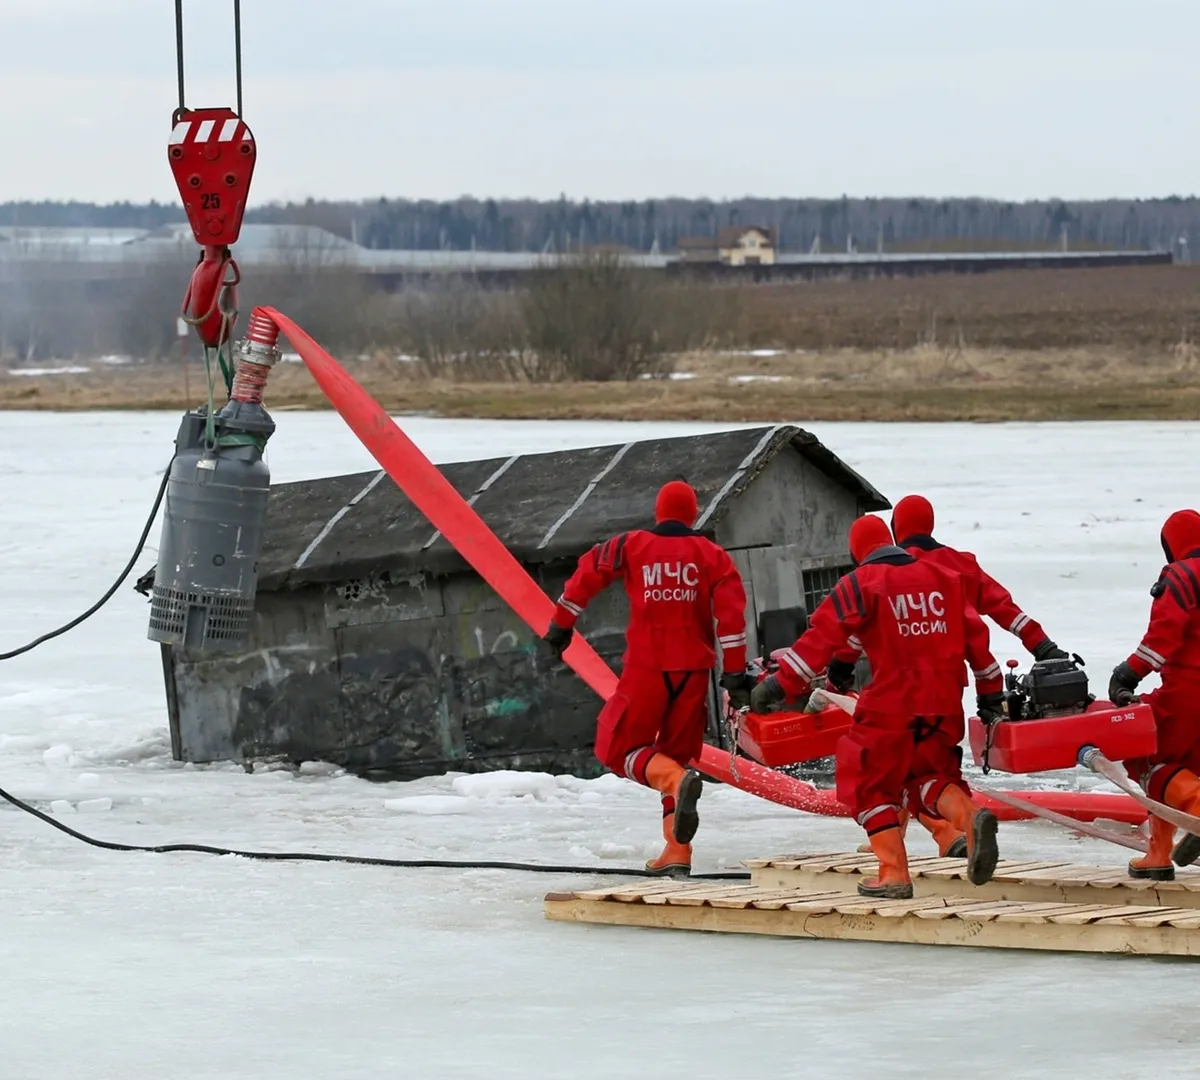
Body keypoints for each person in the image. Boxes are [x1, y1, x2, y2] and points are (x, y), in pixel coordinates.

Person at [751, 515, 1004, 899]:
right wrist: (990, 695)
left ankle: (893, 874)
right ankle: (971, 820)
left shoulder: (861, 583)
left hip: (892, 705)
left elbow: (821, 639)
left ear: (858, 553)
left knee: (867, 782)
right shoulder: (945, 579)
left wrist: (776, 685)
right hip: (943, 704)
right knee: (927, 778)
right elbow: (979, 645)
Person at [542, 480, 751, 877]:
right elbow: (732, 618)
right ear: (693, 514)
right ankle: (677, 850)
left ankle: (675, 782)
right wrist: (736, 673)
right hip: (693, 672)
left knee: (616, 748)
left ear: (659, 511)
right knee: (674, 754)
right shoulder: (713, 556)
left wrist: (561, 625)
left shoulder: (631, 546)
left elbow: (588, 572)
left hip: (647, 668)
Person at [885, 492, 1071, 857]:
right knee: (931, 764)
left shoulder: (888, 572)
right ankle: (942, 833)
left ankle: (945, 832)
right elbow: (1003, 607)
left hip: (897, 687)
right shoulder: (961, 565)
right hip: (949, 687)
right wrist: (1042, 645)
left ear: (896, 530)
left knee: (897, 766)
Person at [1109, 509, 1200, 880]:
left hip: (1188, 690)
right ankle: (1158, 853)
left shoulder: (1182, 576)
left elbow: (1164, 636)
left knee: (1147, 757)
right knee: (1187, 765)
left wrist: (1127, 674)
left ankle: (1196, 811)